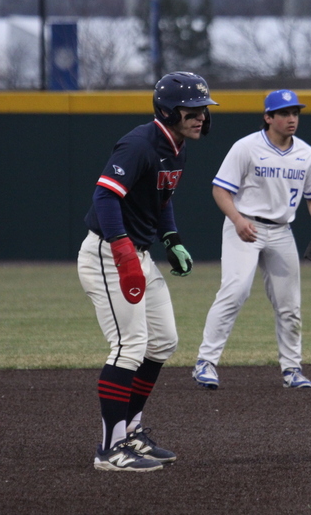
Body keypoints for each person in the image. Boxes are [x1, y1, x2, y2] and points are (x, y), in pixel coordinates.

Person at [77, 71, 217, 471]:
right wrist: (122, 249)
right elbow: (105, 196)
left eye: (204, 109)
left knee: (163, 342)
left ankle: (132, 431)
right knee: (129, 345)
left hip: (137, 253)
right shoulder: (139, 143)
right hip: (108, 253)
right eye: (192, 109)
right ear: (169, 111)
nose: (201, 116)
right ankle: (110, 449)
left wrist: (171, 238)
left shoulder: (177, 147)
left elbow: (162, 198)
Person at [192, 89, 311, 390]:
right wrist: (237, 219)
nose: (291, 118)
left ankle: (292, 370)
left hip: (281, 231)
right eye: (284, 113)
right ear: (268, 117)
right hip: (245, 225)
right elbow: (220, 189)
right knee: (235, 291)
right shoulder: (246, 147)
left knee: (289, 305)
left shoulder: (306, 153)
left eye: (295, 113)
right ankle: (205, 362)